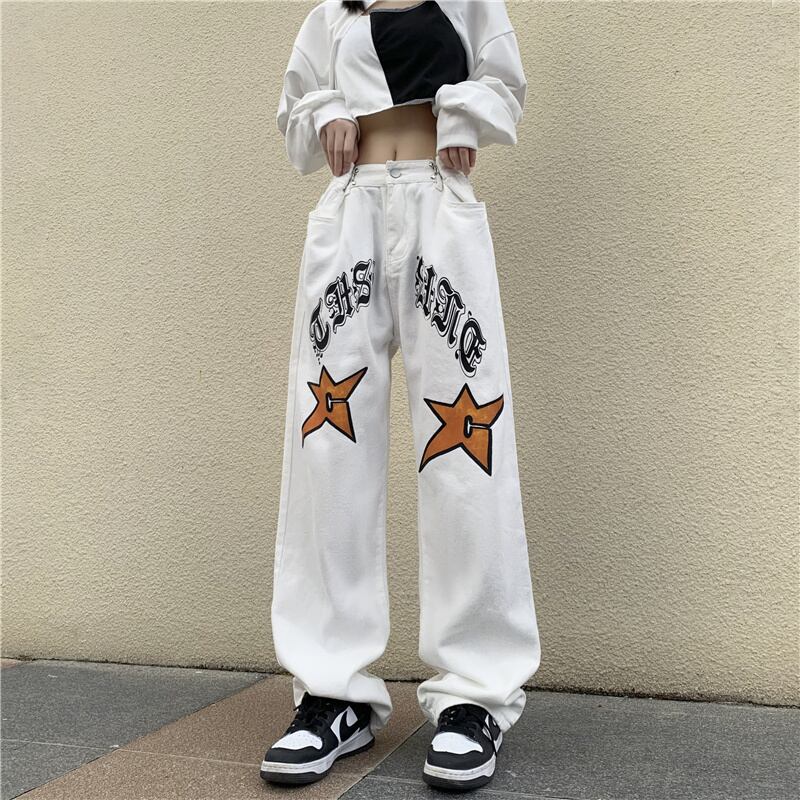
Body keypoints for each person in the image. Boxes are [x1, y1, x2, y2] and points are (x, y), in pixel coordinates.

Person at [261, 0, 541, 792]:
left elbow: (506, 86)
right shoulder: (332, 12)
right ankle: (333, 692)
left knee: (467, 454)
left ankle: (475, 695)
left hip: (438, 209)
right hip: (350, 210)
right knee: (327, 450)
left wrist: (462, 111)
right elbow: (295, 107)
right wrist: (325, 113)